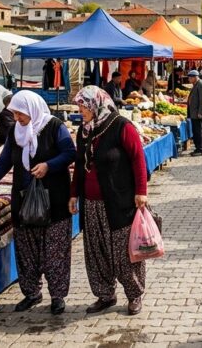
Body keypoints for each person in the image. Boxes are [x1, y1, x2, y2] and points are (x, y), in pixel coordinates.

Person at [0, 91, 76, 315]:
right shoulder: (15, 132)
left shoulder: (54, 126)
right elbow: (5, 161)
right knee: (27, 251)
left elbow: (70, 153)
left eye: (20, 113)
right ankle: (32, 293)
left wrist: (49, 165)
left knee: (55, 252)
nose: (17, 118)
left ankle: (57, 297)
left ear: (32, 109)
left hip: (54, 200)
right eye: (15, 113)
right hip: (23, 200)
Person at [69, 87, 148, 315]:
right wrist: (74, 194)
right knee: (96, 252)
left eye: (83, 105)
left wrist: (141, 191)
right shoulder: (84, 131)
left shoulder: (121, 126)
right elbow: (79, 166)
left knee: (124, 252)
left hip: (119, 201)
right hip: (91, 204)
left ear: (95, 104)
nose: (80, 110)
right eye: (79, 106)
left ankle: (134, 294)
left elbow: (138, 159)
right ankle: (105, 294)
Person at [187, 70, 202, 156]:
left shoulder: (200, 84)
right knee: (196, 131)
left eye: (190, 78)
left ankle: (201, 149)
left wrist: (201, 112)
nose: (189, 79)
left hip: (199, 114)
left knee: (199, 131)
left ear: (194, 77)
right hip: (195, 113)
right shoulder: (196, 84)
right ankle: (197, 148)